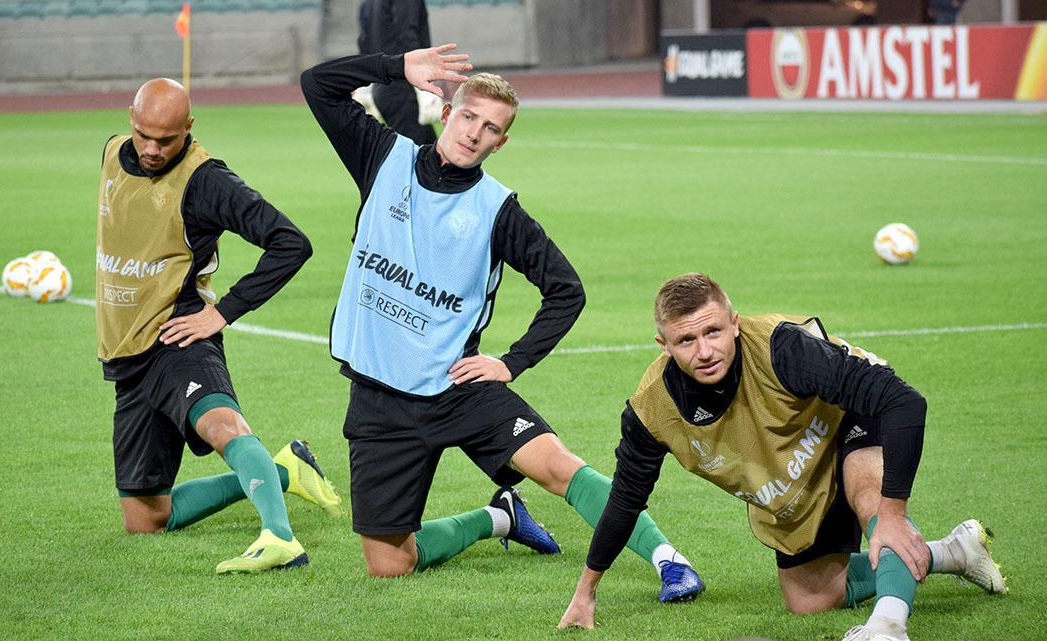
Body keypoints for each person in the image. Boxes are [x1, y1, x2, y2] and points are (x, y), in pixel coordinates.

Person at [298, 45, 703, 602]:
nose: (474, 133)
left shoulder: (498, 210)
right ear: (447, 113)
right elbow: (316, 83)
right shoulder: (382, 157)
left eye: (491, 128)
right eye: (468, 117)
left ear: (500, 143)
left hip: (458, 386)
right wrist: (396, 68)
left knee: (557, 467)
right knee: (390, 565)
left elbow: (566, 291)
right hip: (379, 396)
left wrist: (511, 363)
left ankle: (670, 562)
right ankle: (499, 518)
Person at [559, 273, 1007, 639]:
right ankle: (953, 552)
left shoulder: (783, 348)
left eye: (713, 331)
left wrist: (892, 514)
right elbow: (626, 499)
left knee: (870, 498)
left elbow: (904, 402)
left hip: (846, 417)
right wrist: (586, 592)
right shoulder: (652, 410)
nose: (705, 351)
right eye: (686, 340)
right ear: (664, 345)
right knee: (810, 601)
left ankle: (887, 627)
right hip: (796, 468)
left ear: (735, 323)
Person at [96, 78, 342, 574]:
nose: (151, 149)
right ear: (130, 119)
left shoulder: (206, 180)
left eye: (166, 139)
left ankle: (280, 538)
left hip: (177, 336)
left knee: (221, 428)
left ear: (188, 127)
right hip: (126, 353)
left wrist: (222, 311)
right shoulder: (112, 154)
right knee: (146, 518)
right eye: (144, 135)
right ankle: (281, 470)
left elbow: (290, 242)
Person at [356, 0, 438, 144]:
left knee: (426, 151)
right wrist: (425, 87)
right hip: (404, 86)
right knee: (420, 152)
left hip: (384, 87)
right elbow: (407, 36)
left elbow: (364, 43)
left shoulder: (368, 2)